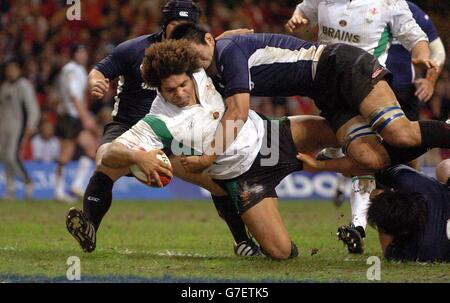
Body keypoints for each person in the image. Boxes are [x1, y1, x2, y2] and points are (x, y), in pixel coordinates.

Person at [100, 39, 345, 259]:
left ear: (188, 73)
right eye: (170, 90)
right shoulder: (158, 121)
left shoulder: (199, 70)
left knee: (346, 136)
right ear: (158, 89)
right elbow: (108, 154)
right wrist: (136, 155)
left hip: (270, 135)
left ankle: (376, 191)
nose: (180, 93)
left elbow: (219, 41)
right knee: (280, 252)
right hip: (245, 176)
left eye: (183, 85)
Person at [66, 0, 259, 257]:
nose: (180, 31)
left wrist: (228, 39)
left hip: (174, 130)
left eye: (186, 27)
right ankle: (89, 225)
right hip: (128, 124)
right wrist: (96, 82)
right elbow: (100, 70)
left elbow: (212, 49)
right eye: (174, 25)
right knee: (105, 159)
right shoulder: (134, 49)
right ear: (164, 27)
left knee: (215, 183)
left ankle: (242, 240)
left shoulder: (193, 56)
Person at [170, 24, 449, 179]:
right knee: (369, 157)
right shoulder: (215, 68)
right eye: (189, 59)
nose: (196, 61)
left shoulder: (228, 52)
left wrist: (209, 156)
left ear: (209, 39)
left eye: (196, 53)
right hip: (325, 93)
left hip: (339, 65)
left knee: (400, 134)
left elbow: (238, 112)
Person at [285, 0, 446, 251]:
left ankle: (361, 224)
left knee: (388, 151)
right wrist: (298, 18)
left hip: (369, 89)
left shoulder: (391, 3)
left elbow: (418, 38)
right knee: (368, 157)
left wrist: (422, 55)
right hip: (330, 91)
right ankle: (371, 221)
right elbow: (304, 10)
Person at [366, 163, 450, 262]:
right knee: (445, 167)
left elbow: (387, 250)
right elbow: (380, 166)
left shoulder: (418, 251)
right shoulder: (409, 181)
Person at [54, 44, 97, 204]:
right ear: (74, 55)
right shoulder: (71, 70)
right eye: (79, 52)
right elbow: (73, 96)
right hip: (70, 117)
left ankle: (77, 185)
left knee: (91, 147)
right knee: (65, 155)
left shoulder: (79, 70)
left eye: (84, 51)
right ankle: (58, 191)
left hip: (74, 116)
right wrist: (85, 116)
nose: (83, 55)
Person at [0, 60, 40, 200]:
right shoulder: (5, 86)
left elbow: (32, 107)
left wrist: (31, 125)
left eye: (13, 68)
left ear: (18, 70)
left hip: (18, 127)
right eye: (8, 69)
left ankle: (27, 182)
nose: (10, 72)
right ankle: (10, 190)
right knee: (4, 157)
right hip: (4, 127)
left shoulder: (24, 85)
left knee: (12, 156)